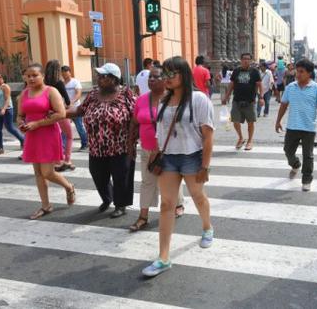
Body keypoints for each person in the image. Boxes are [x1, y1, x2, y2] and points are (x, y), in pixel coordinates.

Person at [142, 56, 214, 277]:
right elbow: (160, 135)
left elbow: (208, 136)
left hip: (192, 157)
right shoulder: (164, 101)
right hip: (169, 159)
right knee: (167, 205)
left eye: (172, 73)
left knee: (197, 196)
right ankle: (163, 257)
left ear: (184, 74)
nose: (168, 78)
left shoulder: (199, 99)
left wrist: (205, 166)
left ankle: (207, 227)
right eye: (166, 73)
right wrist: (153, 157)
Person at [67, 63, 136, 217]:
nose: (99, 79)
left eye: (103, 76)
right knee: (98, 174)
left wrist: (133, 140)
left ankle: (120, 205)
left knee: (121, 177)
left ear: (114, 79)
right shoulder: (92, 95)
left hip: (121, 145)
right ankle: (107, 198)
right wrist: (61, 113)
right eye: (99, 76)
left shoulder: (126, 94)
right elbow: (80, 110)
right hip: (96, 146)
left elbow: (135, 117)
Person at [127, 64, 185, 232]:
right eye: (149, 77)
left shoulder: (172, 99)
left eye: (156, 77)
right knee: (147, 182)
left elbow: (178, 126)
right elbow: (134, 122)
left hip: (167, 150)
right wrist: (130, 143)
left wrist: (160, 148)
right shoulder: (141, 99)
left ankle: (178, 203)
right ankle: (143, 216)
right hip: (146, 148)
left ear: (165, 79)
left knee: (170, 183)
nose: (151, 79)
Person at [17, 63, 75, 220]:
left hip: (47, 133)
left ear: (42, 76)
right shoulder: (24, 94)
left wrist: (37, 124)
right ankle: (45, 205)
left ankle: (69, 187)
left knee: (47, 172)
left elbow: (61, 113)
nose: (31, 78)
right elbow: (20, 115)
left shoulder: (51, 91)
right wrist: (21, 123)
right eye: (28, 75)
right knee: (38, 173)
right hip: (32, 135)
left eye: (35, 75)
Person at [275, 59, 317, 191]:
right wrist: (278, 121)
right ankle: (295, 164)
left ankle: (307, 179)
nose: (298, 74)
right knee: (288, 151)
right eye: (297, 71)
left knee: (308, 155)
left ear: (309, 73)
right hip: (292, 126)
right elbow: (284, 105)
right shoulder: (290, 88)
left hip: (309, 128)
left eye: (301, 72)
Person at [221, 53, 262, 151]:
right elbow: (232, 84)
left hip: (250, 101)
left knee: (251, 122)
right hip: (237, 100)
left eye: (248, 59)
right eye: (244, 59)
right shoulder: (236, 71)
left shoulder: (255, 72)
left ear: (251, 61)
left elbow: (260, 85)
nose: (246, 61)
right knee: (235, 121)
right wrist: (226, 97)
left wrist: (261, 97)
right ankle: (241, 138)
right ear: (241, 60)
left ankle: (250, 141)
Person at [43, 60, 74, 172]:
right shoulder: (59, 83)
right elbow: (67, 100)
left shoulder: (43, 83)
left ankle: (57, 161)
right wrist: (67, 109)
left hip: (47, 114)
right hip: (60, 113)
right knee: (69, 135)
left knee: (56, 137)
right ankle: (67, 160)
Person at [0, 73, 25, 156]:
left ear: (3, 79)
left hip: (7, 110)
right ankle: (0, 148)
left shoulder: (5, 87)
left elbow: (7, 99)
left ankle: (23, 139)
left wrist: (4, 109)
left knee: (9, 128)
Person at [61, 65, 88, 151]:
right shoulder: (61, 84)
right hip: (65, 109)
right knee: (64, 128)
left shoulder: (75, 82)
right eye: (63, 74)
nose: (65, 76)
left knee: (79, 127)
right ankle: (63, 146)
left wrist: (71, 103)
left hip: (76, 109)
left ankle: (85, 143)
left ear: (70, 73)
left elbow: (78, 94)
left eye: (66, 74)